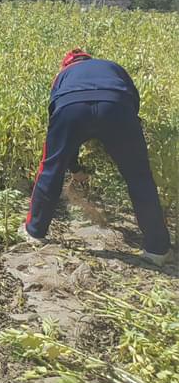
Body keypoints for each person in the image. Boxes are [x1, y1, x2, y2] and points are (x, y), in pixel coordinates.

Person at [22, 49, 172, 266]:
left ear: (66, 64)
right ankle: (158, 250)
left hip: (70, 108)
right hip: (116, 107)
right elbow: (133, 102)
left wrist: (71, 164)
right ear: (89, 60)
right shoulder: (111, 66)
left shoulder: (63, 75)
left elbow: (55, 112)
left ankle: (34, 232)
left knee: (51, 168)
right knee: (139, 177)